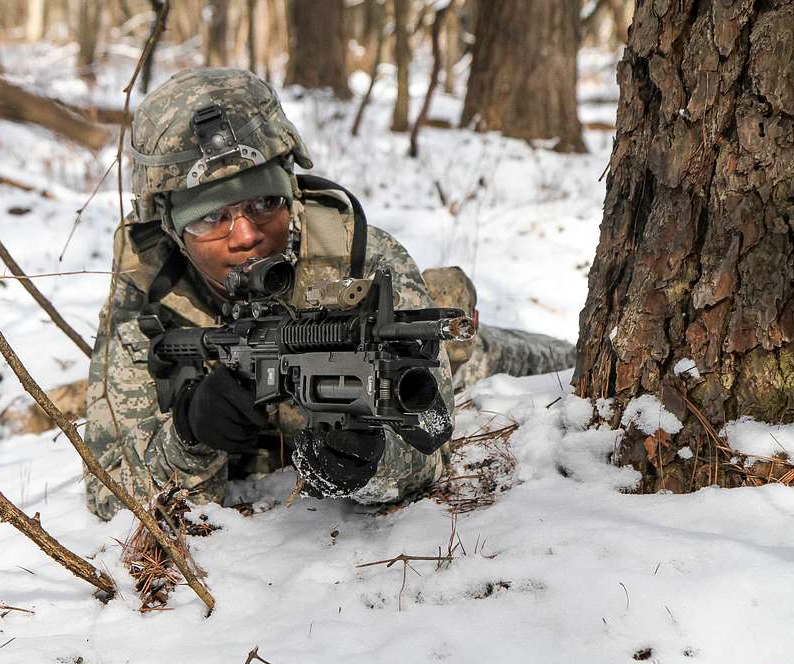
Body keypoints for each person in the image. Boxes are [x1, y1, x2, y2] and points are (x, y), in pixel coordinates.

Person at [83, 68, 570, 521]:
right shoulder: (149, 291)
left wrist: (371, 464)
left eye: (265, 202)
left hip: (449, 351)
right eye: (211, 218)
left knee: (552, 360)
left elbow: (431, 447)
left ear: (291, 191)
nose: (245, 235)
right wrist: (189, 436)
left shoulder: (364, 261)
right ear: (171, 227)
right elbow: (108, 492)